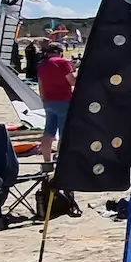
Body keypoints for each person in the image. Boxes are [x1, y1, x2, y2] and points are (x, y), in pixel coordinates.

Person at [37, 41, 76, 169]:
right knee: (64, 133)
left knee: (48, 132)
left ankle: (46, 162)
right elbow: (72, 81)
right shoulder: (63, 62)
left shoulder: (42, 65)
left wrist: (44, 100)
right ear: (60, 52)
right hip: (64, 100)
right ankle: (61, 161)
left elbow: (41, 85)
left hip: (48, 100)